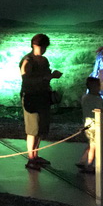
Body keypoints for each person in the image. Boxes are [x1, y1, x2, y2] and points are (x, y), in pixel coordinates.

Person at [20, 33, 62, 171]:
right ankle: (31, 159)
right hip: (31, 96)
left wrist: (49, 78)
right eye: (41, 47)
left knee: (41, 128)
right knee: (32, 129)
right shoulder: (27, 60)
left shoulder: (43, 60)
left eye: (44, 47)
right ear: (34, 45)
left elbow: (43, 77)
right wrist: (48, 77)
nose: (43, 50)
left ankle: (35, 155)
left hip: (43, 95)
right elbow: (26, 80)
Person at [76, 76, 103, 173]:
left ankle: (82, 161)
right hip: (96, 124)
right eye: (98, 86)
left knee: (91, 143)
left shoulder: (84, 97)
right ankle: (90, 165)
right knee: (94, 146)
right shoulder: (97, 99)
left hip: (87, 123)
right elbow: (100, 111)